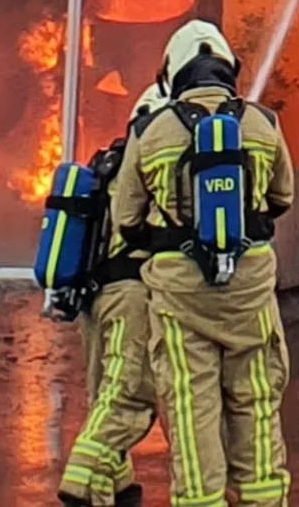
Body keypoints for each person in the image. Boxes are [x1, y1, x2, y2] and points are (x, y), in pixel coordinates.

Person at [111, 21, 295, 507]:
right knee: (256, 401)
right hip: (250, 294)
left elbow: (125, 216)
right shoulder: (263, 123)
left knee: (192, 409)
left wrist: (165, 239)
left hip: (179, 296)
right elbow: (283, 197)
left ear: (173, 74)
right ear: (229, 70)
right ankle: (264, 498)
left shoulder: (151, 130)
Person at [56, 83, 169, 507]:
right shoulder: (148, 166)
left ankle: (116, 490)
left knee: (104, 392)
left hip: (94, 299)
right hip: (131, 297)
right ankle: (82, 482)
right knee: (132, 392)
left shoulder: (106, 163)